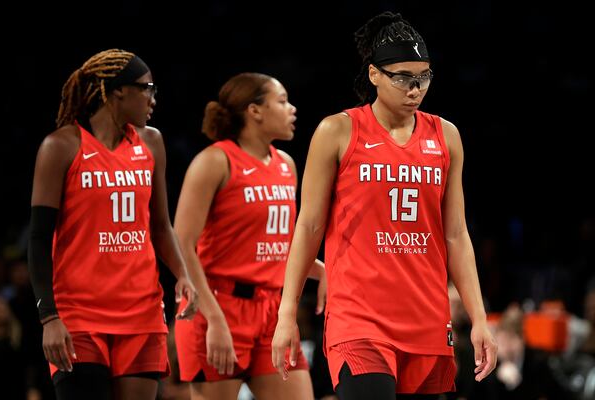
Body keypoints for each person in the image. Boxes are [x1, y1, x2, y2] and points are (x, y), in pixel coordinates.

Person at [272, 11, 497, 400]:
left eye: (424, 77)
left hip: (426, 317)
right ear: (374, 74)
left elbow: (457, 235)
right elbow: (308, 227)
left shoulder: (447, 136)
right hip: (359, 320)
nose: (416, 88)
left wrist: (478, 318)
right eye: (403, 77)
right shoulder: (337, 131)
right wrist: (286, 313)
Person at [27, 49, 198, 400]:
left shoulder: (152, 142)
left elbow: (161, 226)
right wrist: (49, 318)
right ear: (118, 90)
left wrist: (183, 274)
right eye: (147, 87)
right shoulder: (60, 147)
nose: (153, 98)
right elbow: (40, 239)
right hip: (79, 316)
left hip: (141, 313)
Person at [173, 72, 324, 400]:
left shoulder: (286, 164)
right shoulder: (214, 161)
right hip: (218, 306)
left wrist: (320, 269)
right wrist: (213, 319)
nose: (292, 109)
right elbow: (181, 243)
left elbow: (279, 247)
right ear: (255, 111)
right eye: (282, 102)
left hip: (271, 310)